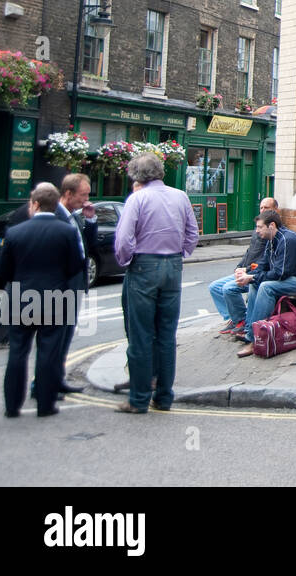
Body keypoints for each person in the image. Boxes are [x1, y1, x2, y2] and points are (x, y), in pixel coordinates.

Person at [113, 153, 200, 413]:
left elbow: (123, 240)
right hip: (173, 266)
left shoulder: (137, 199)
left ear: (136, 176)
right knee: (166, 336)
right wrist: (180, 253)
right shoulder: (180, 196)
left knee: (141, 335)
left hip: (144, 266)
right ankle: (163, 398)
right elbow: (193, 233)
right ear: (160, 172)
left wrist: (127, 260)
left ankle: (138, 400)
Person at [0, 183, 84, 418]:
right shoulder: (66, 231)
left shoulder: (15, 233)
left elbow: (3, 272)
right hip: (56, 298)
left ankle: (12, 406)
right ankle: (45, 406)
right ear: (55, 203)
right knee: (48, 353)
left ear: (34, 204)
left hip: (20, 298)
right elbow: (75, 266)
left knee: (17, 352)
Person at [234, 210, 296, 358]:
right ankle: (250, 331)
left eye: (260, 227)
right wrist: (248, 274)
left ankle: (255, 340)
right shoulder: (272, 241)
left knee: (266, 287)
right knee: (255, 285)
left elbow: (280, 273)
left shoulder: (288, 240)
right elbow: (263, 264)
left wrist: (251, 277)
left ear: (271, 225)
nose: (257, 231)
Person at [208, 197, 277, 339]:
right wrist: (239, 267)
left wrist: (248, 272)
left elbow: (266, 261)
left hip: (255, 274)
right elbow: (249, 252)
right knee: (214, 287)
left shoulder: (272, 232)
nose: (262, 210)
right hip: (246, 270)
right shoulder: (258, 229)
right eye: (261, 207)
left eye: (267, 208)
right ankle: (234, 318)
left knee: (228, 288)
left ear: (275, 210)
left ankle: (241, 320)